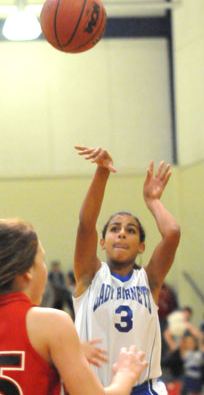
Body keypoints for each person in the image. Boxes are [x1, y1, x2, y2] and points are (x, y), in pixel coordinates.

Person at [73, 146, 181, 395]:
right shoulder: (89, 275)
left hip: (144, 388)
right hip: (94, 388)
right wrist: (102, 173)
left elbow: (172, 233)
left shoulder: (150, 280)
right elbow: (86, 224)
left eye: (130, 230)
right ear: (102, 242)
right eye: (114, 228)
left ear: (142, 246)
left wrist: (153, 201)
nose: (122, 232)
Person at [0, 218, 148, 395]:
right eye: (42, 259)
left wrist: (67, 353)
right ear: (28, 271)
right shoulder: (51, 324)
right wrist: (126, 374)